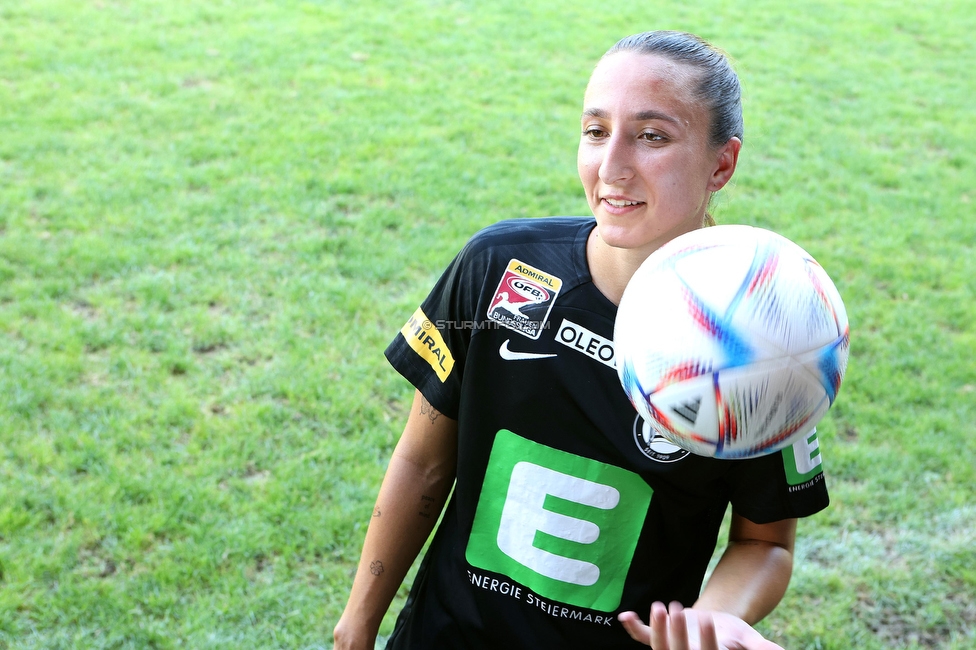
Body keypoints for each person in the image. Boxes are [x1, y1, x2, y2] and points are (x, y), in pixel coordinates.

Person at [333, 30, 829, 650]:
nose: (611, 165)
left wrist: (715, 618)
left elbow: (764, 543)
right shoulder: (498, 269)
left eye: (652, 136)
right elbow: (423, 462)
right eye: (596, 130)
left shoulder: (766, 337)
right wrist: (356, 624)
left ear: (721, 164)